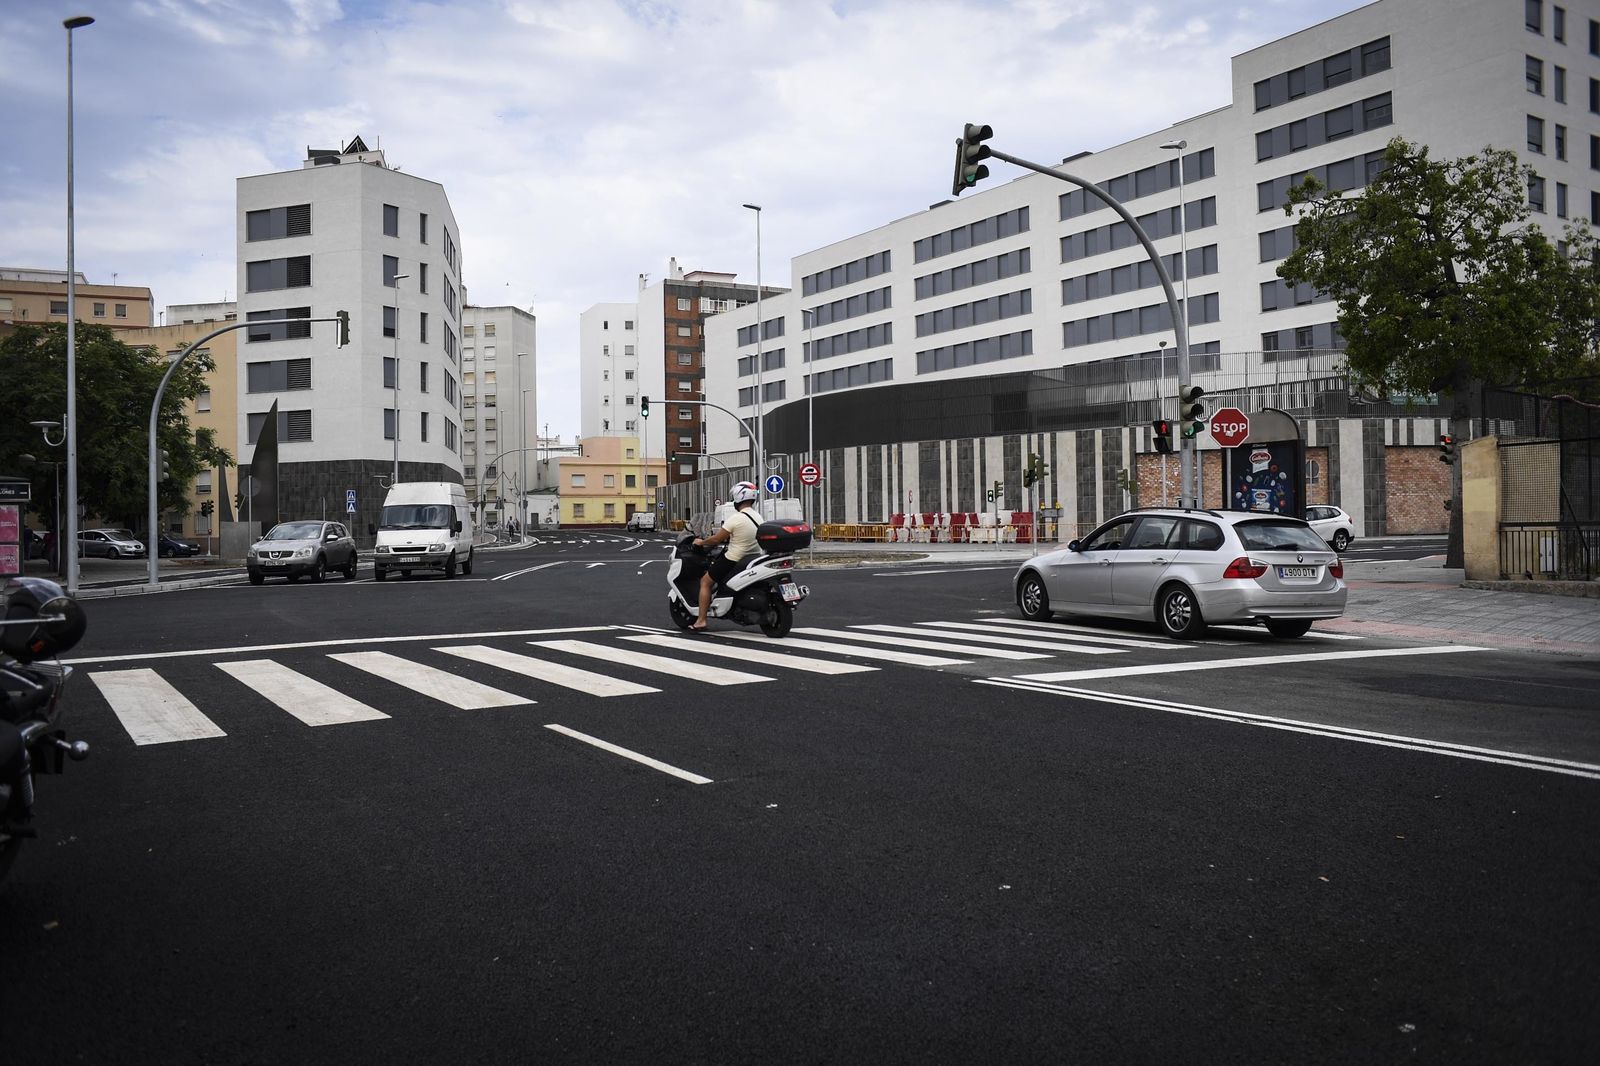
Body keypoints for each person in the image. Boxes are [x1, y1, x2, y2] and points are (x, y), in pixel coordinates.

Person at [690, 481, 762, 631]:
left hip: (734, 558)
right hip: (753, 557)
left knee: (705, 582)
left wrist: (701, 542)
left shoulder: (736, 518)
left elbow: (717, 539)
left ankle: (701, 620)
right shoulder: (758, 517)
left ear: (738, 497)